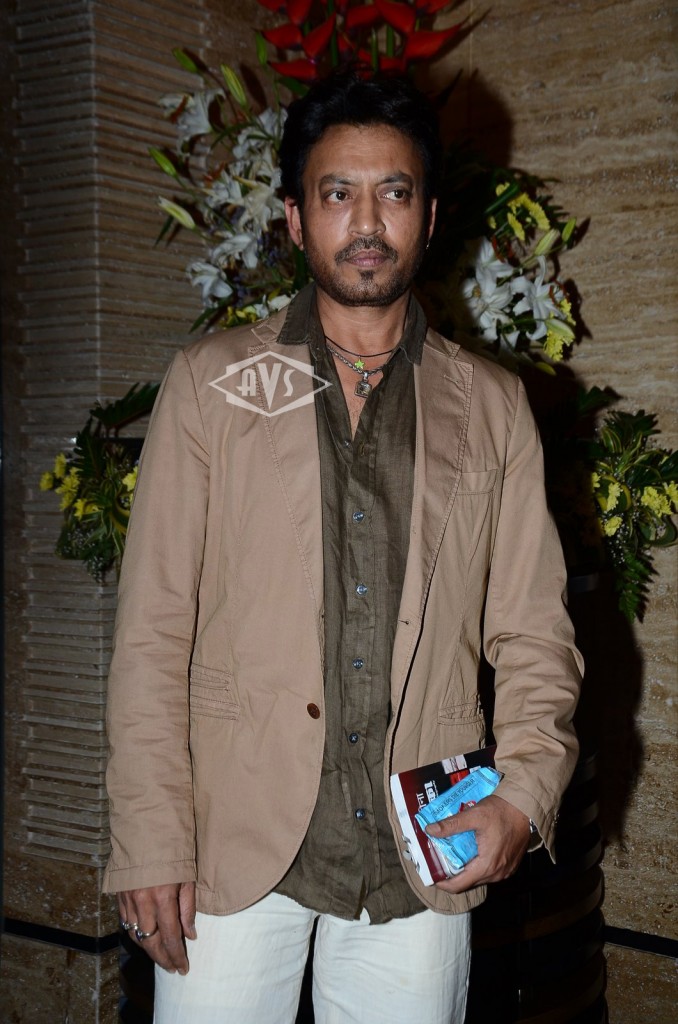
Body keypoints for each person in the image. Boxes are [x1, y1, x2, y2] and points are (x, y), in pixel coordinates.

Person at [104, 70, 582, 1024]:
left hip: (421, 849)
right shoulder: (212, 384)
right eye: (337, 193)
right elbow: (151, 630)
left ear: (429, 216)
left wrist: (524, 795)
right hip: (233, 844)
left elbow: (535, 630)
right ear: (295, 218)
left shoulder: (492, 405)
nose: (367, 222)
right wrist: (149, 838)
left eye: (393, 192)